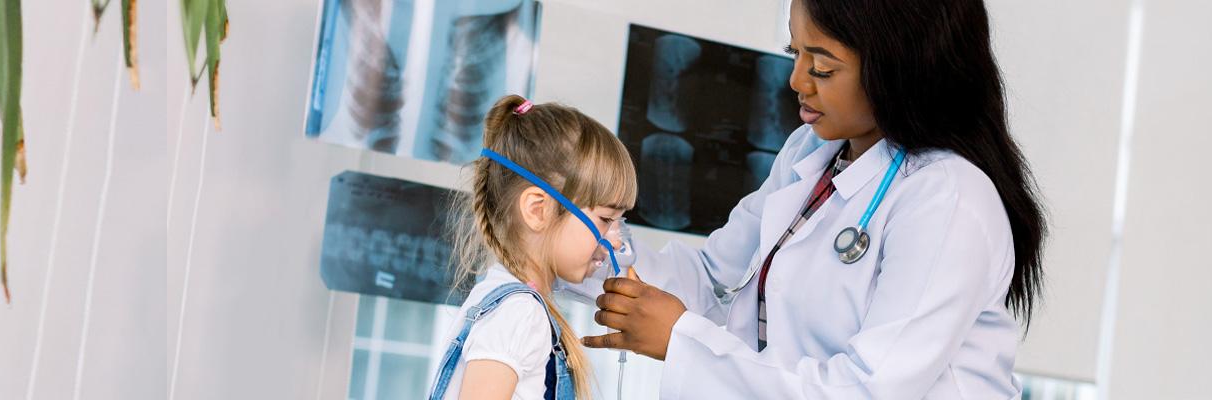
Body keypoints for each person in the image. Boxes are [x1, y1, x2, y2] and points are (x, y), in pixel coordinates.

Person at [575, 0, 1051, 397]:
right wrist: (578, 241)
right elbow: (713, 280)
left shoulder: (947, 198)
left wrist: (682, 342)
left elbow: (868, 390)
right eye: (795, 52)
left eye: (822, 66)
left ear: (900, 68)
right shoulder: (812, 151)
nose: (796, 81)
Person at [429, 95, 637, 400]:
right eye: (606, 219)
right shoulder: (521, 313)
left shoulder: (504, 298)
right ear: (538, 210)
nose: (616, 241)